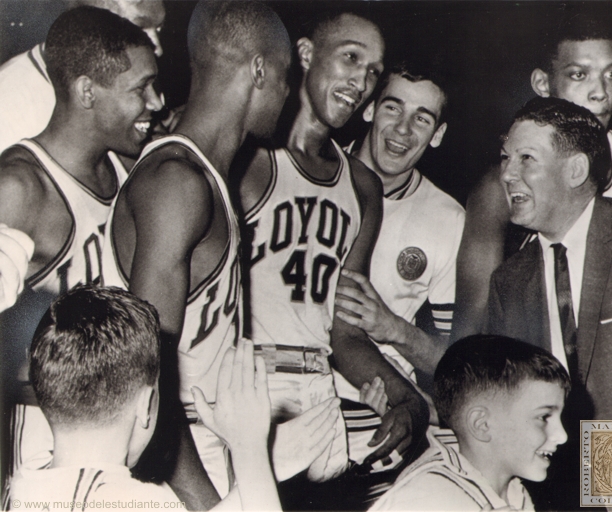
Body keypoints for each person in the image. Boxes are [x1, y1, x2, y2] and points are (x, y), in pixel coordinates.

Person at [102, 2, 338, 509]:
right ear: (257, 69)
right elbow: (148, 381)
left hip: (207, 456)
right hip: (173, 477)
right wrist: (207, 505)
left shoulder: (207, 179)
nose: (287, 93)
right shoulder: (178, 183)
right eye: (284, 76)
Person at [239, 12, 428, 491]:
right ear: (305, 55)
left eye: (372, 71)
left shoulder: (361, 185)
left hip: (319, 399)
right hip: (244, 392)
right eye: (350, 58)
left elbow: (345, 333)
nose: (361, 81)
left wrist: (409, 402)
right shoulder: (246, 162)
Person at [0, 5, 162, 498]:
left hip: (125, 432)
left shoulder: (127, 168)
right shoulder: (19, 187)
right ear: (87, 91)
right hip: (47, 444)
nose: (157, 102)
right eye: (141, 88)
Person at [486, 96, 612, 509]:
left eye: (526, 159)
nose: (507, 174)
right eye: (505, 158)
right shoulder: (509, 281)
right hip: (557, 492)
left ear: (575, 170)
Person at [453, 17, 612, 339]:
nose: (600, 93)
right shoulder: (500, 187)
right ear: (543, 84)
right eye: (579, 75)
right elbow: (471, 330)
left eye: (611, 75)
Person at [10, 285, 281, 511]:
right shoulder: (140, 499)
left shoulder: (23, 484)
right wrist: (251, 452)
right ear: (146, 406)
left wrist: (266, 466)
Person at [334, 61, 464, 468]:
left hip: (378, 419)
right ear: (369, 109)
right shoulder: (311, 175)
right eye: (393, 108)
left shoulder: (447, 218)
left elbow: (454, 367)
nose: (404, 130)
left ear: (438, 134)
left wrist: (392, 328)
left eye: (422, 118)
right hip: (286, 404)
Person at [370, 334, 569, 511]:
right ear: (482, 424)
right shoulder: (427, 495)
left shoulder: (516, 492)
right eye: (544, 417)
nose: (562, 435)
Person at [0, 0, 165, 155]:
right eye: (139, 29)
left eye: (158, 28)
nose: (158, 49)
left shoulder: (137, 75)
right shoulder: (10, 103)